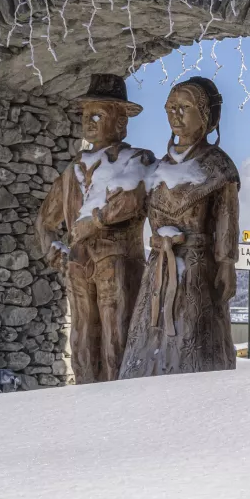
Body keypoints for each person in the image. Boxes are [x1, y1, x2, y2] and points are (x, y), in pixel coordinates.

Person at [35, 74, 155, 384]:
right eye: (87, 115)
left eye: (98, 114)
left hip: (118, 263)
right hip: (79, 265)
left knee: (118, 335)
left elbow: (130, 199)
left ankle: (120, 400)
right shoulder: (73, 169)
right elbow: (45, 220)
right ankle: (86, 398)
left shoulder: (137, 159)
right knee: (82, 336)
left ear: (120, 122)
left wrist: (95, 220)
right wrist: (52, 248)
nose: (90, 121)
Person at [119, 77, 241, 379]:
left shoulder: (218, 166)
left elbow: (227, 220)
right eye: (170, 108)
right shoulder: (158, 168)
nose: (175, 115)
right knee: (151, 333)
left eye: (184, 107)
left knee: (193, 336)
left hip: (198, 268)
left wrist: (227, 263)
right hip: (158, 268)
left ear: (205, 114)